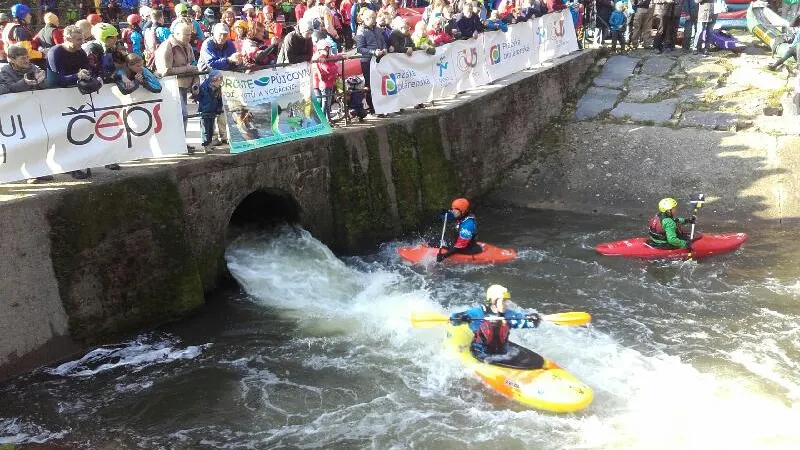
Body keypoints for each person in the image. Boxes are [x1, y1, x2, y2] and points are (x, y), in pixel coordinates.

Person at [449, 284, 542, 361]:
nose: (507, 303)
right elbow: (454, 321)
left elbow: (524, 321)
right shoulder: (477, 313)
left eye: (507, 301)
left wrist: (533, 319)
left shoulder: (509, 315)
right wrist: (459, 317)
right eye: (504, 301)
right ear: (494, 301)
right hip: (480, 354)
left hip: (503, 354)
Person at [156, 21, 199, 153]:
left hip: (184, 84)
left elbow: (193, 65)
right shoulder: (167, 47)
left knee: (183, 115)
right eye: (186, 35)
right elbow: (164, 70)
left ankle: (181, 143)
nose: (189, 38)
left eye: (190, 35)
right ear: (176, 34)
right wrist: (186, 69)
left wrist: (195, 81)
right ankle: (178, 144)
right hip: (172, 86)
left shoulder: (187, 45)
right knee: (181, 115)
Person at [355, 9, 386, 115]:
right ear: (367, 19)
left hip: (380, 59)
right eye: (373, 18)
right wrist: (373, 52)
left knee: (381, 83)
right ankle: (373, 107)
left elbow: (382, 41)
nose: (375, 20)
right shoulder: (361, 31)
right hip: (367, 61)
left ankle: (382, 105)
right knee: (370, 84)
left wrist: (384, 48)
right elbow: (359, 49)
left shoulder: (377, 29)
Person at [436, 197, 481, 262]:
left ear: (462, 211)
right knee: (435, 240)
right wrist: (443, 213)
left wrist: (444, 256)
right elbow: (447, 218)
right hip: (458, 242)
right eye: (452, 209)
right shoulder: (460, 215)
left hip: (466, 248)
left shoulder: (468, 224)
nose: (452, 211)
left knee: (436, 243)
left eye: (455, 210)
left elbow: (460, 246)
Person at [198, 70, 224, 153]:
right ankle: (206, 145)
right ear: (215, 79)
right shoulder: (203, 87)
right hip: (205, 111)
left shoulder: (217, 88)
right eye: (220, 79)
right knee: (205, 129)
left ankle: (209, 143)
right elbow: (198, 97)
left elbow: (219, 99)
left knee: (211, 129)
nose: (221, 81)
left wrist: (219, 108)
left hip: (213, 110)